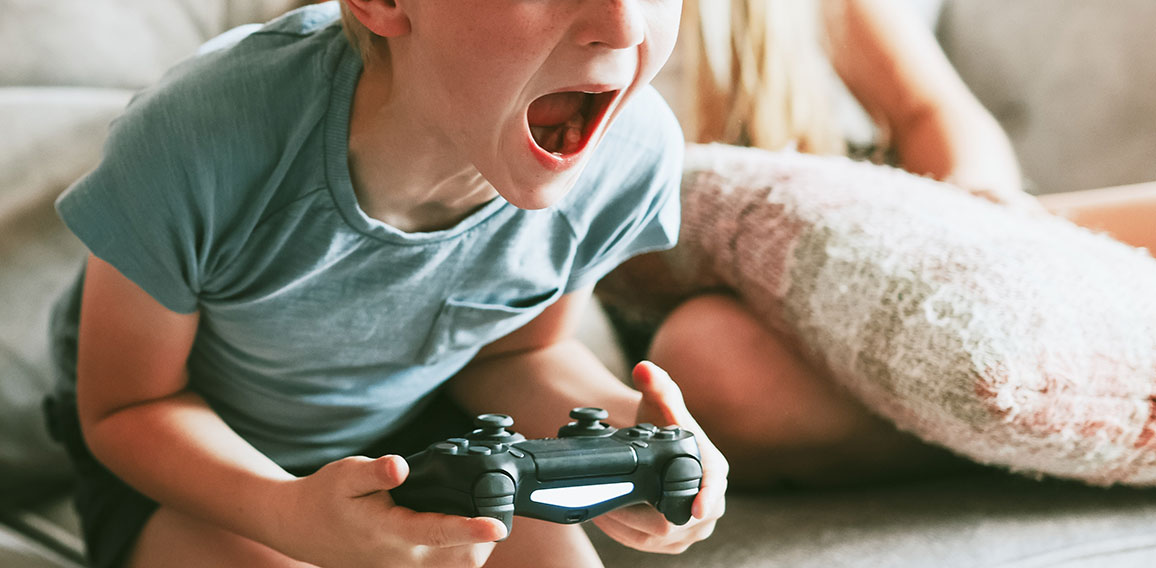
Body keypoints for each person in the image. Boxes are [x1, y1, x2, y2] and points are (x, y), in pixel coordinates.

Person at [43, 1, 727, 567]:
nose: (625, 25)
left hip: (424, 438)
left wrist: (633, 446)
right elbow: (125, 410)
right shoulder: (197, 138)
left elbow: (517, 355)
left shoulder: (626, 158)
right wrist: (288, 515)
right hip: (197, 468)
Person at [613, 0, 1152, 488]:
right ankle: (1029, 422)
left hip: (888, 224)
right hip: (717, 299)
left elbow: (932, 109)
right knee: (706, 363)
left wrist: (975, 197)